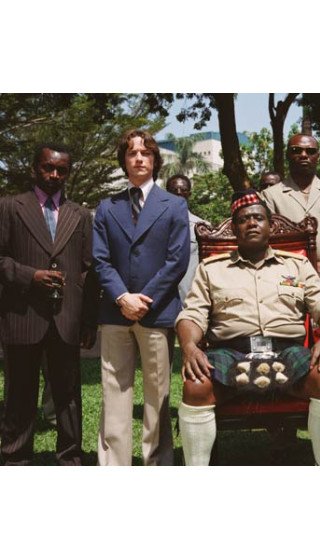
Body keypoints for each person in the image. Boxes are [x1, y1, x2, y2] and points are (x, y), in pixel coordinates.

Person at [176, 189, 320, 466]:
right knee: (196, 386)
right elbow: (192, 315)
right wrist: (189, 346)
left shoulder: (297, 265)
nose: (251, 223)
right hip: (231, 352)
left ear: (271, 226)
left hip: (287, 351)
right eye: (243, 220)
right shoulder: (211, 269)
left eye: (258, 218)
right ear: (234, 229)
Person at [93, 129, 189, 466]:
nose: (138, 158)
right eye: (132, 153)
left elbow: (177, 261)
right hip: (115, 312)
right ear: (124, 161)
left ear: (154, 160)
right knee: (114, 392)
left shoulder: (174, 205)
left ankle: (156, 464)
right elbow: (100, 260)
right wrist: (122, 297)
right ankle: (114, 465)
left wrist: (143, 299)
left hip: (156, 312)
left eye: (145, 153)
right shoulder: (107, 207)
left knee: (157, 394)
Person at [0, 143, 98, 465]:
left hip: (66, 318)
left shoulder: (80, 215)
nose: (55, 175)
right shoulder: (9, 207)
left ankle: (70, 458)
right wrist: (30, 276)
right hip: (22, 315)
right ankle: (15, 459)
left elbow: (89, 270)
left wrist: (88, 321)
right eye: (48, 167)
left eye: (62, 170)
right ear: (34, 169)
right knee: (19, 392)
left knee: (68, 394)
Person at [261, 134, 320, 302]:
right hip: (288, 279)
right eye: (296, 150)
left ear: (318, 156)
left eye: (310, 151)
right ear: (288, 155)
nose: (304, 155)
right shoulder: (270, 196)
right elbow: (268, 241)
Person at [165, 174, 208, 304]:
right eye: (174, 190)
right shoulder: (154, 225)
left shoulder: (201, 227)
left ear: (189, 194)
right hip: (161, 298)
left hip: (190, 299)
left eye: (183, 190)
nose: (179, 193)